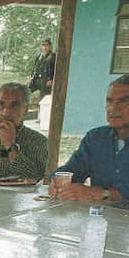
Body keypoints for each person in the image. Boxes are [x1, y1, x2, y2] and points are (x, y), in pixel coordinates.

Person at [51, 74, 129, 202]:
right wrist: (57, 181)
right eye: (109, 101)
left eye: (124, 101)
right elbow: (72, 170)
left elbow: (99, 194)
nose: (113, 108)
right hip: (101, 219)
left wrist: (104, 194)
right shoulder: (96, 138)